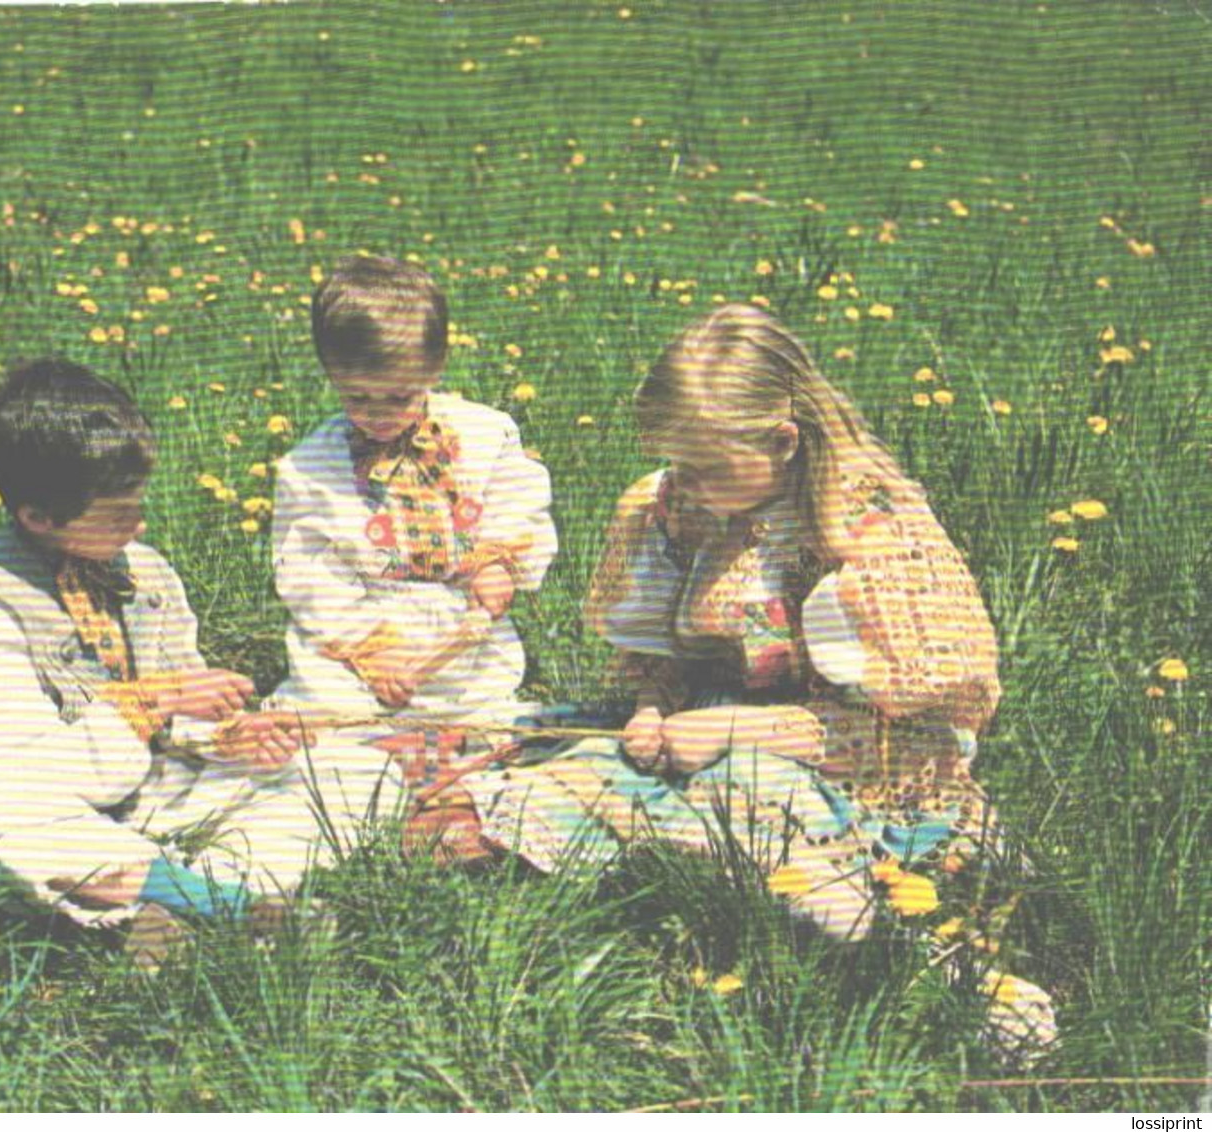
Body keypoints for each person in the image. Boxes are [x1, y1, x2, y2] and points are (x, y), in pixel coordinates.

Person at [444, 304, 1056, 1054]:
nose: (684, 487)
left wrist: (740, 728)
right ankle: (689, 890)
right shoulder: (678, 506)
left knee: (751, 806)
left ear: (781, 442)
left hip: (849, 760)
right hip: (702, 724)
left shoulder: (867, 531)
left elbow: (921, 726)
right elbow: (665, 649)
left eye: (702, 470)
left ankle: (932, 970)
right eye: (676, 465)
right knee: (535, 778)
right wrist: (650, 703)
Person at [0, 358, 401, 960]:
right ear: (38, 517)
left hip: (159, 796)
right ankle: (213, 906)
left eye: (138, 504)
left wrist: (227, 738)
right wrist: (158, 700)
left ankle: (187, 903)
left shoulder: (145, 573)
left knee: (359, 770)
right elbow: (37, 771)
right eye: (118, 513)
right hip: (58, 814)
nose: (139, 523)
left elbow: (184, 711)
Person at [268, 255, 557, 726]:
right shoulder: (310, 467)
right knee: (333, 713)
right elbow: (308, 570)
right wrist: (368, 646)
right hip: (366, 625)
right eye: (357, 397)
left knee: (479, 713)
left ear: (436, 366)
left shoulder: (486, 434)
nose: (378, 415)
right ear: (330, 374)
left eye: (400, 397)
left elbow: (517, 500)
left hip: (461, 624)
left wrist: (497, 562)